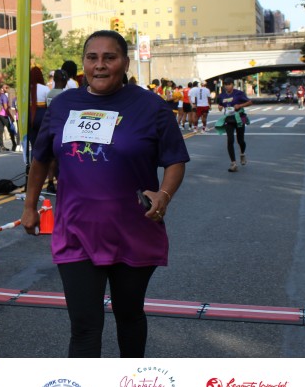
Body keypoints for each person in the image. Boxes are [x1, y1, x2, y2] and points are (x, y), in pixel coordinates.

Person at [21, 30, 188, 358]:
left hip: (133, 230)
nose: (99, 65)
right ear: (84, 63)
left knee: (129, 316)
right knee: (84, 327)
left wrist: (164, 195)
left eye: (109, 58)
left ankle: (131, 385)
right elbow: (41, 159)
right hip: (76, 231)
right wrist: (30, 206)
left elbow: (175, 160)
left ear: (125, 63)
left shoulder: (150, 106)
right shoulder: (63, 105)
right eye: (92, 58)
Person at [216, 77, 253, 172]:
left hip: (239, 118)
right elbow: (220, 104)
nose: (227, 86)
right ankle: (233, 163)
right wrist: (220, 107)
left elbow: (250, 102)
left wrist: (240, 105)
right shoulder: (222, 95)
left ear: (233, 84)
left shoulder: (239, 93)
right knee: (230, 140)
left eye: (229, 84)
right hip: (229, 119)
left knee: (240, 140)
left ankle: (242, 153)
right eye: (226, 85)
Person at [27, 66, 49, 159]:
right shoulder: (45, 89)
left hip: (29, 116)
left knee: (33, 144)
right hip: (42, 115)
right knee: (43, 144)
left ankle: (32, 164)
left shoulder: (26, 89)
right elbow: (49, 105)